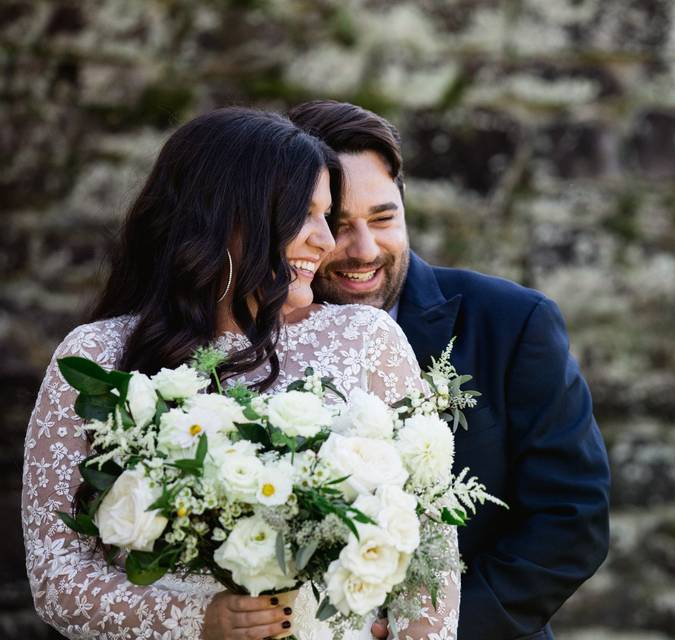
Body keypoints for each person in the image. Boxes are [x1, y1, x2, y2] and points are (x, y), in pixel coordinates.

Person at [22, 107, 458, 640]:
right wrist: (198, 621)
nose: (326, 242)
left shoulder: (367, 339)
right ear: (228, 217)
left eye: (328, 216)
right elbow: (56, 573)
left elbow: (427, 551)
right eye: (307, 215)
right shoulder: (97, 357)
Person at [289, 100, 611, 640]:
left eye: (383, 218)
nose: (363, 250)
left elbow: (571, 518)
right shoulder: (250, 339)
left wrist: (431, 630)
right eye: (338, 225)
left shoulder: (512, 323)